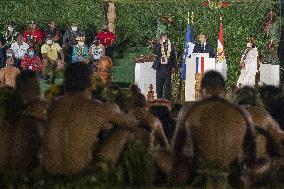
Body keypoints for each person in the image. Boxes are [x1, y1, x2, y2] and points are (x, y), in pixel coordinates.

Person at [42, 63, 137, 175]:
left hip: (50, 178)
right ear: (90, 82)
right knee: (124, 130)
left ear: (65, 82)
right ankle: (126, 179)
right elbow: (132, 123)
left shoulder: (52, 106)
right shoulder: (96, 108)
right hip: (85, 178)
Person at [152, 33, 177, 100]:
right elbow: (155, 52)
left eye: (165, 37)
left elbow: (174, 57)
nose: (164, 38)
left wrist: (174, 66)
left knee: (167, 85)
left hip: (168, 67)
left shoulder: (171, 45)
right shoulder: (158, 45)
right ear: (161, 38)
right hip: (159, 67)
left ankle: (167, 100)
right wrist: (159, 44)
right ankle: (159, 98)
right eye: (163, 37)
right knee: (159, 84)